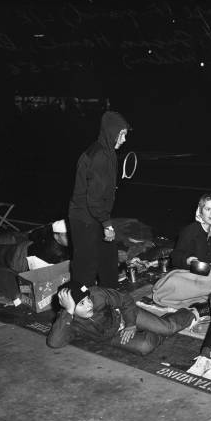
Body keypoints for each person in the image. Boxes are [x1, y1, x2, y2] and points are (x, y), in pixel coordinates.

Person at [47, 280, 208, 356]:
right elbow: (54, 343)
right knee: (144, 347)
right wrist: (68, 312)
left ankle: (194, 311)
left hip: (124, 315)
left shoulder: (97, 294)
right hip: (111, 336)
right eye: (81, 304)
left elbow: (125, 300)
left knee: (167, 328)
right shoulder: (68, 320)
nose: (89, 304)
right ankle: (159, 326)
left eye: (87, 299)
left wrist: (130, 323)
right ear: (70, 309)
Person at [68, 111, 129, 288]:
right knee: (85, 268)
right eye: (122, 134)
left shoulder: (107, 151)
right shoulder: (99, 156)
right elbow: (94, 200)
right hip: (84, 218)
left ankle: (110, 300)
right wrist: (107, 225)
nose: (124, 140)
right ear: (111, 132)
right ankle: (78, 308)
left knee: (108, 260)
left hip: (94, 215)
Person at [0, 219, 70, 272]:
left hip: (25, 250)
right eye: (66, 235)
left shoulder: (52, 233)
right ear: (56, 236)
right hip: (19, 256)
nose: (71, 238)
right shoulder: (55, 251)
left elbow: (34, 234)